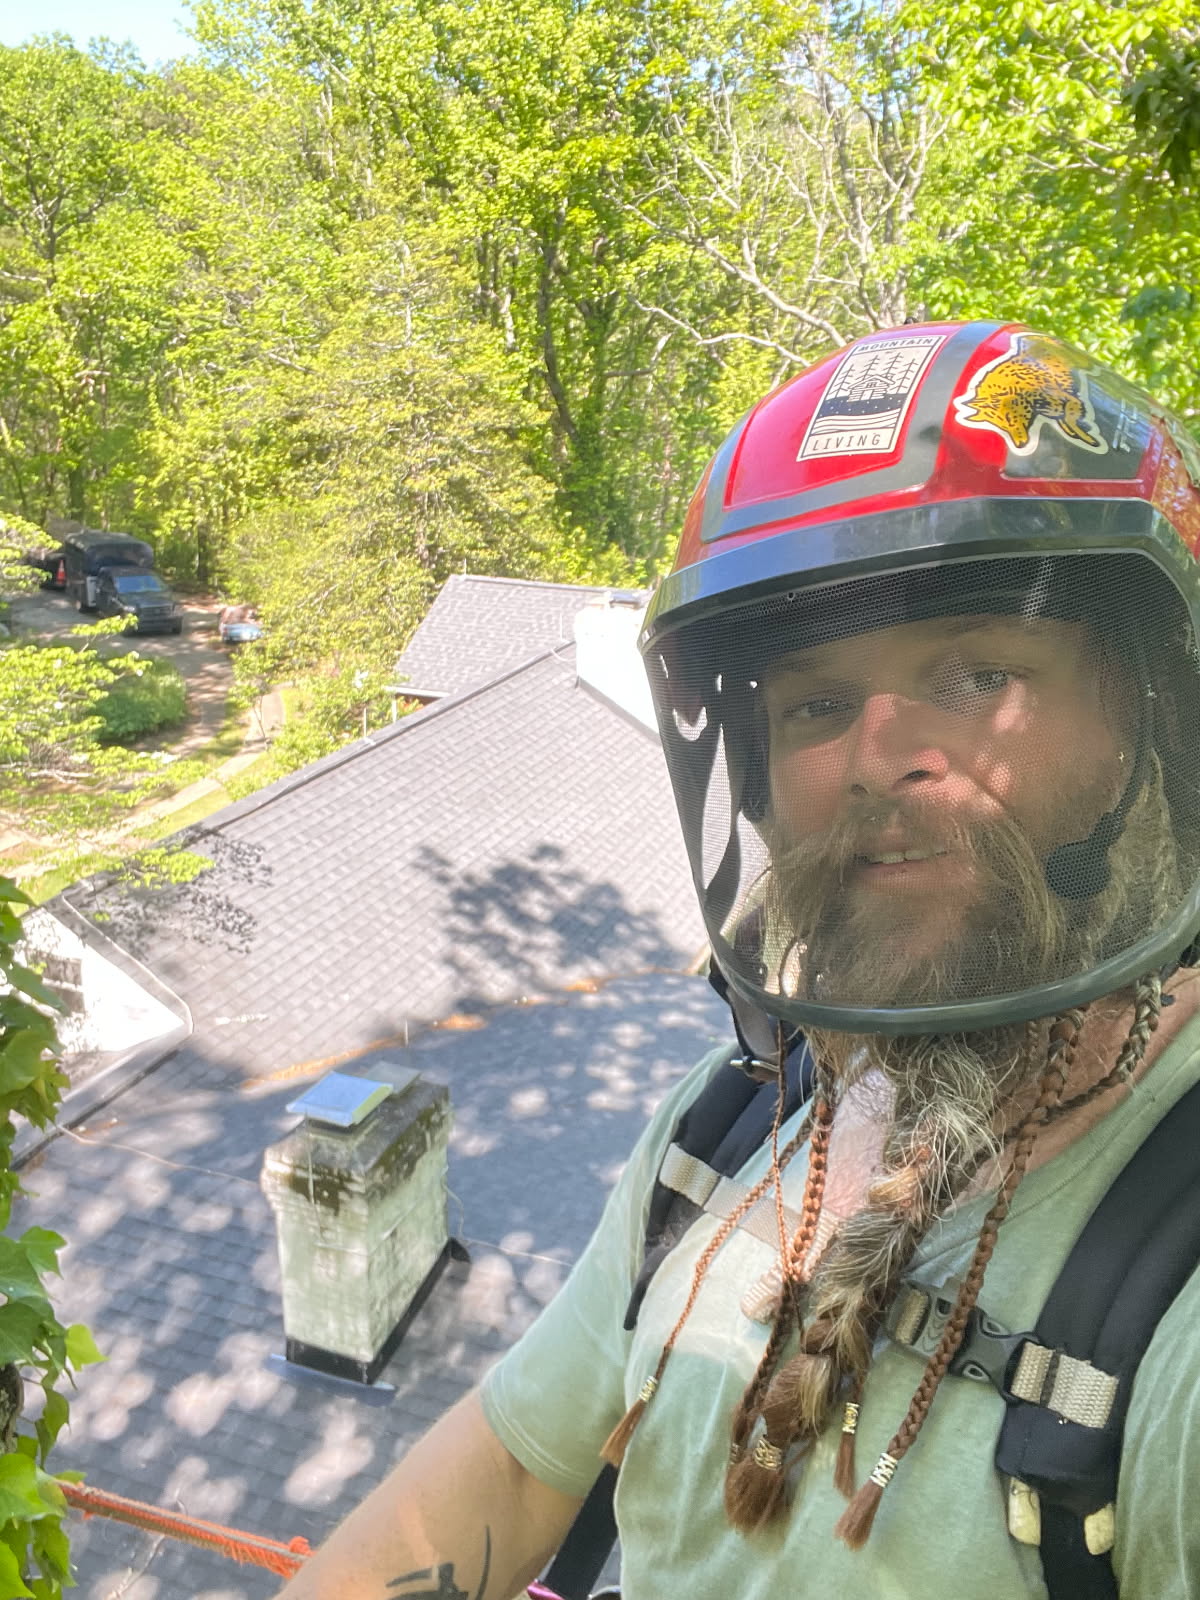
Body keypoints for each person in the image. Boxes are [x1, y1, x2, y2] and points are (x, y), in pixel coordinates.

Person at [278, 320, 1200, 1600]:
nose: (877, 756)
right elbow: (510, 1468)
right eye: (817, 703)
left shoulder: (1175, 1281)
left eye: (981, 671)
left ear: (1147, 726)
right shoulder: (724, 1127)